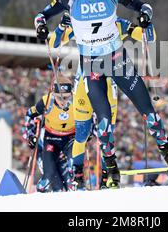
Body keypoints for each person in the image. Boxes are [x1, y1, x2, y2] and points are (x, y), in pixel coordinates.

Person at [33, 0, 168, 188]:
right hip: (92, 67)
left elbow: (145, 7)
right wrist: (41, 26)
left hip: (117, 60)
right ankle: (111, 169)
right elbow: (42, 15)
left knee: (148, 111)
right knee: (104, 123)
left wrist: (145, 18)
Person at [50, 12, 158, 189]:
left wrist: (146, 25)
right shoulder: (80, 25)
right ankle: (77, 176)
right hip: (85, 84)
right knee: (82, 134)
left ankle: (107, 176)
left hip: (109, 85)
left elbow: (146, 36)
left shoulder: (116, 23)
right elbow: (54, 42)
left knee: (106, 133)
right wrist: (62, 26)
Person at [23, 75, 75, 192]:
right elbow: (29, 114)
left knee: (74, 170)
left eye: (66, 97)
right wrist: (30, 135)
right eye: (59, 97)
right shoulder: (46, 101)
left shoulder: (77, 101)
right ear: (53, 93)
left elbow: (91, 117)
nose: (63, 102)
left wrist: (89, 133)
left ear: (71, 94)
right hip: (51, 139)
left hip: (70, 139)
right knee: (48, 177)